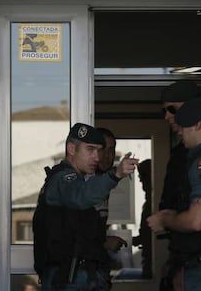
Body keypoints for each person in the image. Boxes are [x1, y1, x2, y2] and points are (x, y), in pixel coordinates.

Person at [33, 123, 139, 291]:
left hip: (81, 275)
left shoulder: (78, 180)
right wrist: (116, 174)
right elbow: (81, 196)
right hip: (68, 277)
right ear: (72, 149)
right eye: (90, 150)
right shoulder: (63, 179)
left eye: (99, 150)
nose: (97, 157)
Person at [147, 98, 201, 291]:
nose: (179, 131)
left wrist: (166, 220)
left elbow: (196, 220)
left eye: (183, 126)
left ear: (197, 125)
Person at [157, 81, 201, 290]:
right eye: (165, 110)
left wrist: (187, 265)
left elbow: (199, 219)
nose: (167, 116)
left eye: (172, 109)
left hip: (200, 258)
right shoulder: (181, 154)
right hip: (182, 254)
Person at [95, 127, 127, 254]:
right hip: (74, 268)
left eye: (111, 149)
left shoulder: (103, 183)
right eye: (102, 149)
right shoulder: (78, 183)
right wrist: (103, 242)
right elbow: (66, 232)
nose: (107, 156)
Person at [132, 159, 153, 279]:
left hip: (153, 259)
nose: (140, 180)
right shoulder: (149, 203)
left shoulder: (154, 204)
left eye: (142, 177)